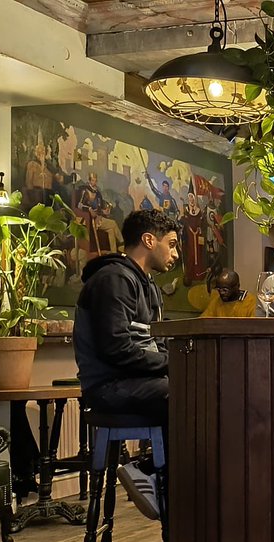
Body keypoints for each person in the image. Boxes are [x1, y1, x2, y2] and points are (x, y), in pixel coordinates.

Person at [74, 209, 181, 520]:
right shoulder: (113, 279)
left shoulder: (147, 285)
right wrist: (172, 365)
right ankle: (151, 473)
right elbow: (116, 349)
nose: (175, 253)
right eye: (171, 244)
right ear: (149, 240)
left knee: (198, 389)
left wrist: (173, 363)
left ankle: (169, 481)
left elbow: (157, 344)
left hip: (133, 381)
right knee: (188, 395)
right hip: (108, 386)